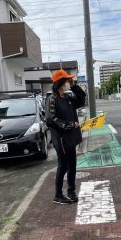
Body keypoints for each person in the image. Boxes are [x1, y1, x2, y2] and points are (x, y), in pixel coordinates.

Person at [45, 69, 86, 205]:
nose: (69, 82)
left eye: (70, 80)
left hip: (71, 138)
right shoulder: (52, 99)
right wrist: (69, 125)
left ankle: (71, 191)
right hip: (61, 139)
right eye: (67, 80)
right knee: (63, 166)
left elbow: (81, 99)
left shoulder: (67, 98)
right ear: (60, 83)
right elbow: (51, 119)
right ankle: (57, 195)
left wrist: (74, 86)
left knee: (72, 165)